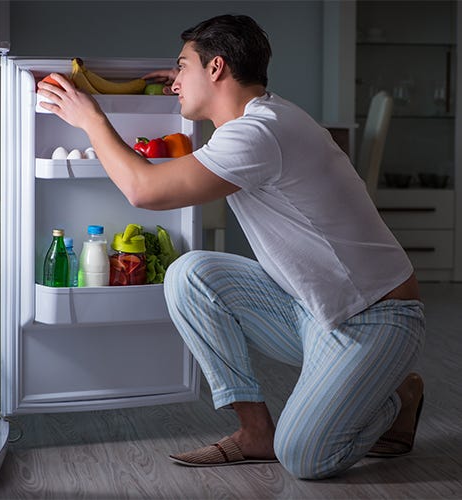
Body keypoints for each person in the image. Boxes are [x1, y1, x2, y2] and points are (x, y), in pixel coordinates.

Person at [37, 14, 425, 480]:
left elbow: (145, 191)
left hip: (376, 318)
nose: (176, 80)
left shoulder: (258, 133)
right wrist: (185, 89)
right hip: (313, 310)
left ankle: (395, 396)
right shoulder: (256, 119)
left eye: (183, 67)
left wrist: (91, 119)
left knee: (305, 457)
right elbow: (192, 137)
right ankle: (254, 430)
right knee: (189, 274)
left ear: (216, 68)